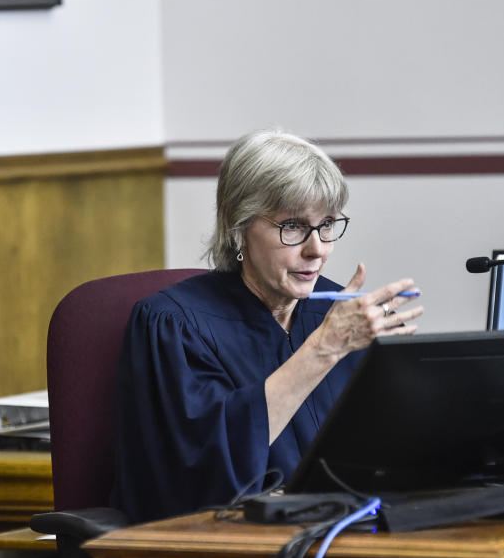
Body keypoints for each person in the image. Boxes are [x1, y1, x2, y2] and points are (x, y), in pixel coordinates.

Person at [110, 130, 424, 523]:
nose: (318, 249)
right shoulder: (174, 326)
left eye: (327, 224)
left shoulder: (346, 315)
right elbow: (200, 475)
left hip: (350, 533)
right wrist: (323, 349)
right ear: (237, 225)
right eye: (292, 226)